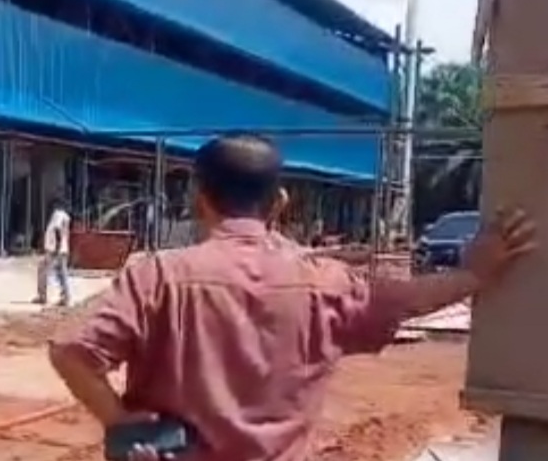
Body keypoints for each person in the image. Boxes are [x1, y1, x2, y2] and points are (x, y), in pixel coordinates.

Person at [48, 134, 535, 461]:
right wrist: (475, 272)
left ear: (199, 199)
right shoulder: (325, 283)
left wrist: (120, 420)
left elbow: (71, 350)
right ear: (279, 202)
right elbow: (409, 300)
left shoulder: (156, 277)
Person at [34, 195, 71, 306]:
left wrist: (56, 248)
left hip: (54, 249)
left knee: (42, 269)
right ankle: (65, 297)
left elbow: (57, 230)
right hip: (62, 249)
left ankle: (42, 296)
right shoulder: (66, 216)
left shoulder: (58, 214)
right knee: (61, 274)